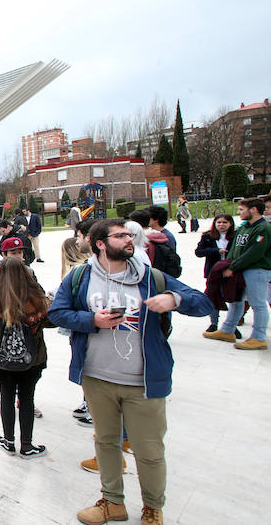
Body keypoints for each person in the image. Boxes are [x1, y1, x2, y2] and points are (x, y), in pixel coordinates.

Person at [48, 219, 213, 525]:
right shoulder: (80, 277)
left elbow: (204, 303)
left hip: (143, 382)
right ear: (100, 243)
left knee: (149, 450)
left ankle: (153, 507)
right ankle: (112, 502)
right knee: (106, 442)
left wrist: (174, 299)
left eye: (129, 234)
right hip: (97, 378)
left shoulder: (151, 278)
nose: (129, 239)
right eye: (120, 235)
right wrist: (91, 320)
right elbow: (57, 313)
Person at [0, 257, 49, 459]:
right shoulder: (36, 297)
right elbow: (50, 320)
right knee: (27, 399)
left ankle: (8, 440)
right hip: (32, 358)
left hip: (1, 360)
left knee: (6, 396)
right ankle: (27, 445)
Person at [203, 198, 271, 350]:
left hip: (257, 270)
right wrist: (227, 265)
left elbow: (255, 252)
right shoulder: (243, 227)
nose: (239, 212)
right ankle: (227, 330)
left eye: (242, 209)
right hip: (241, 269)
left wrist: (233, 267)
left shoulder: (264, 229)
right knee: (236, 300)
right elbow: (234, 249)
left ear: (253, 209)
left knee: (258, 304)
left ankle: (258, 337)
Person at [195, 214, 236, 334]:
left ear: (230, 224)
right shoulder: (208, 237)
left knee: (232, 297)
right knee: (213, 297)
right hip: (213, 272)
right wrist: (216, 251)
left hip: (231, 271)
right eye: (219, 222)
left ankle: (232, 324)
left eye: (225, 222)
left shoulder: (235, 236)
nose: (221, 225)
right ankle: (213, 323)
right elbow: (199, 252)